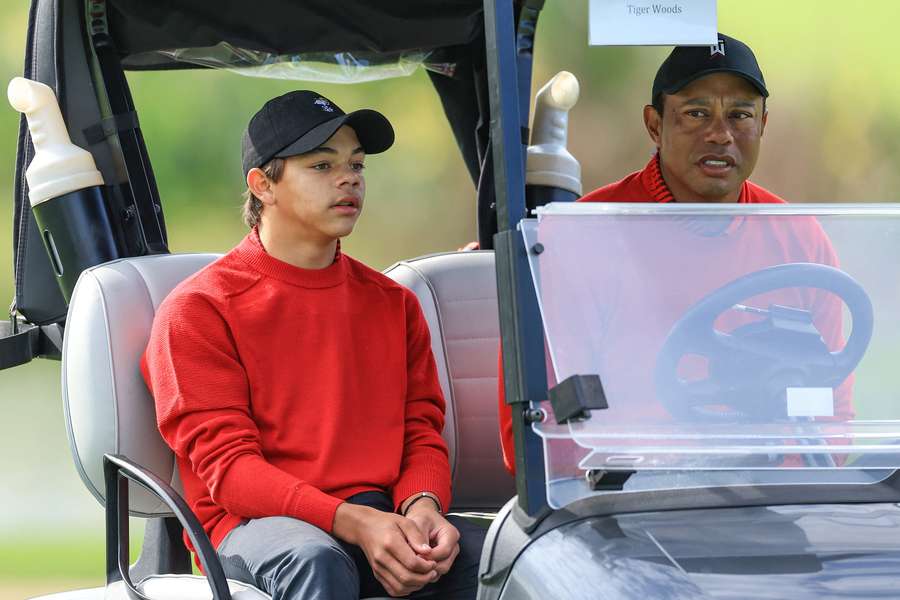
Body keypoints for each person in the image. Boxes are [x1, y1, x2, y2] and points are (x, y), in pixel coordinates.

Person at [142, 91, 485, 599]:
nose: (349, 179)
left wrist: (423, 507)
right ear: (263, 185)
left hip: (379, 515)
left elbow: (421, 430)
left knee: (519, 554)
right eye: (322, 165)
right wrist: (355, 522)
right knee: (316, 562)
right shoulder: (198, 310)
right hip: (259, 528)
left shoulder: (393, 303)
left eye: (357, 165)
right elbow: (233, 475)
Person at [498, 34, 852, 475]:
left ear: (763, 125)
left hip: (769, 497)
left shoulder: (801, 238)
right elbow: (541, 426)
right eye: (696, 113)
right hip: (623, 503)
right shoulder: (577, 237)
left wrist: (779, 480)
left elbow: (832, 416)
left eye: (740, 115)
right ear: (654, 124)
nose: (721, 134)